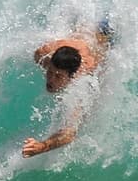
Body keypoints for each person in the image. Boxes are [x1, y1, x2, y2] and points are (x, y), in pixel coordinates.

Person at [21, 22, 111, 157]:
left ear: (72, 76)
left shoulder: (83, 79)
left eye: (58, 76)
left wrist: (42, 146)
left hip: (104, 37)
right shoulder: (43, 56)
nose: (51, 79)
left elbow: (69, 134)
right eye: (50, 72)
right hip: (82, 38)